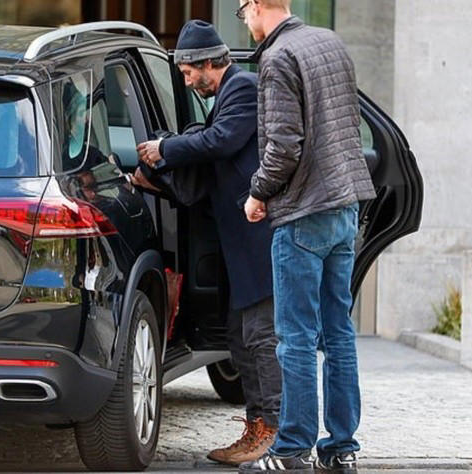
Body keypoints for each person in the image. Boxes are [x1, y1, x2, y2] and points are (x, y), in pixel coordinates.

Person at [134, 20, 282, 467]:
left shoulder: (243, 88)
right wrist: (156, 178)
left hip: (259, 238)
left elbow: (220, 141)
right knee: (241, 338)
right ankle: (257, 425)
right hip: (241, 243)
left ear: (203, 64)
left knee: (260, 339)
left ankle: (271, 430)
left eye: (185, 73)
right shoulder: (229, 94)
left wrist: (164, 148)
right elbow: (214, 162)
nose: (186, 80)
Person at [237, 0, 377, 472]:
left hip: (303, 213)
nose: (246, 21)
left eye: (242, 11)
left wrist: (257, 195)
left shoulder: (278, 58)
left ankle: (292, 448)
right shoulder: (329, 42)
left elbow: (284, 146)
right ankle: (341, 449)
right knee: (338, 333)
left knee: (294, 337)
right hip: (345, 206)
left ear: (257, 5)